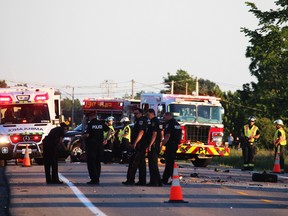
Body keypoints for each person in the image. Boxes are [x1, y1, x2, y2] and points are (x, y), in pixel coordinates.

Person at [83, 112, 112, 185]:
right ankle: (97, 178)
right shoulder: (101, 123)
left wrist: (83, 137)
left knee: (91, 163)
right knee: (97, 162)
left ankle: (94, 179)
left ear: (91, 116)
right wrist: (106, 139)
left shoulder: (90, 124)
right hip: (100, 146)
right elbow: (110, 130)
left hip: (91, 146)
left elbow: (87, 134)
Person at [122, 108, 147, 186]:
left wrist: (135, 143)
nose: (135, 115)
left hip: (139, 145)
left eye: (136, 114)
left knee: (133, 163)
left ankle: (130, 179)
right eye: (134, 114)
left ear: (141, 113)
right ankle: (142, 180)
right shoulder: (142, 120)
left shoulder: (141, 121)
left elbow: (141, 132)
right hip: (141, 144)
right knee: (141, 164)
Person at [161, 112, 182, 185]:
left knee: (169, 163)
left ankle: (168, 179)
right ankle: (168, 179)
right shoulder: (177, 124)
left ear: (168, 116)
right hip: (175, 145)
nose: (163, 119)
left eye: (164, 117)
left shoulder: (170, 124)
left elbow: (167, 136)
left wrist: (161, 144)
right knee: (170, 162)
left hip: (170, 145)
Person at [146, 109, 162, 186]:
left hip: (154, 145)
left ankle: (154, 181)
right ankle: (158, 181)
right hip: (156, 144)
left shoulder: (154, 121)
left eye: (148, 115)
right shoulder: (156, 121)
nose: (148, 117)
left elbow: (154, 134)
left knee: (152, 164)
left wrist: (150, 144)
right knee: (153, 163)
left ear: (152, 114)